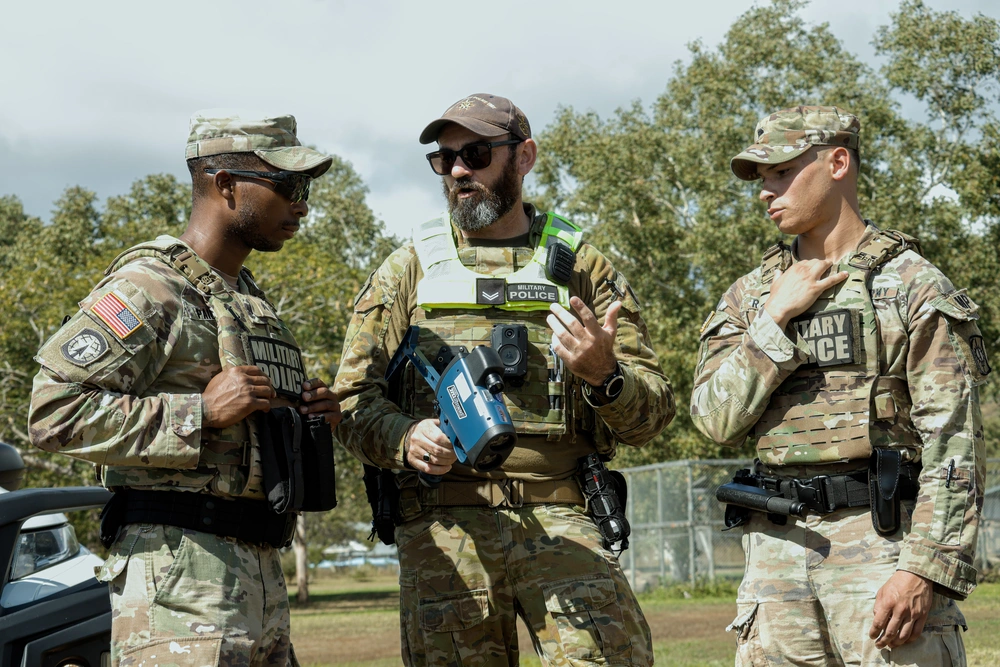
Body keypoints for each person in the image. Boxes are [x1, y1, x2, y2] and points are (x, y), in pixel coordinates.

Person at [334, 93, 675, 666]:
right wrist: (404, 437)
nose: (459, 171)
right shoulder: (408, 268)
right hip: (445, 529)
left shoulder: (582, 266)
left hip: (566, 519)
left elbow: (655, 414)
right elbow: (350, 402)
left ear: (524, 156)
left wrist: (604, 375)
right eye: (445, 160)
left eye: (476, 153)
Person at [28, 112, 341, 667]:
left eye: (306, 188)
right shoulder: (149, 288)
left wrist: (307, 414)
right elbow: (53, 411)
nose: (303, 205)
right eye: (288, 186)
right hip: (177, 579)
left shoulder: (248, 302)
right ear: (224, 184)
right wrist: (198, 412)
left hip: (260, 576)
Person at [691, 106, 990, 666]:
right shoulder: (752, 297)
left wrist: (924, 568)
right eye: (761, 178)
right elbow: (713, 419)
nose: (766, 190)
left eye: (781, 172)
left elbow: (955, 444)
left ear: (837, 162)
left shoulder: (909, 286)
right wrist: (773, 323)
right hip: (775, 559)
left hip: (883, 549)